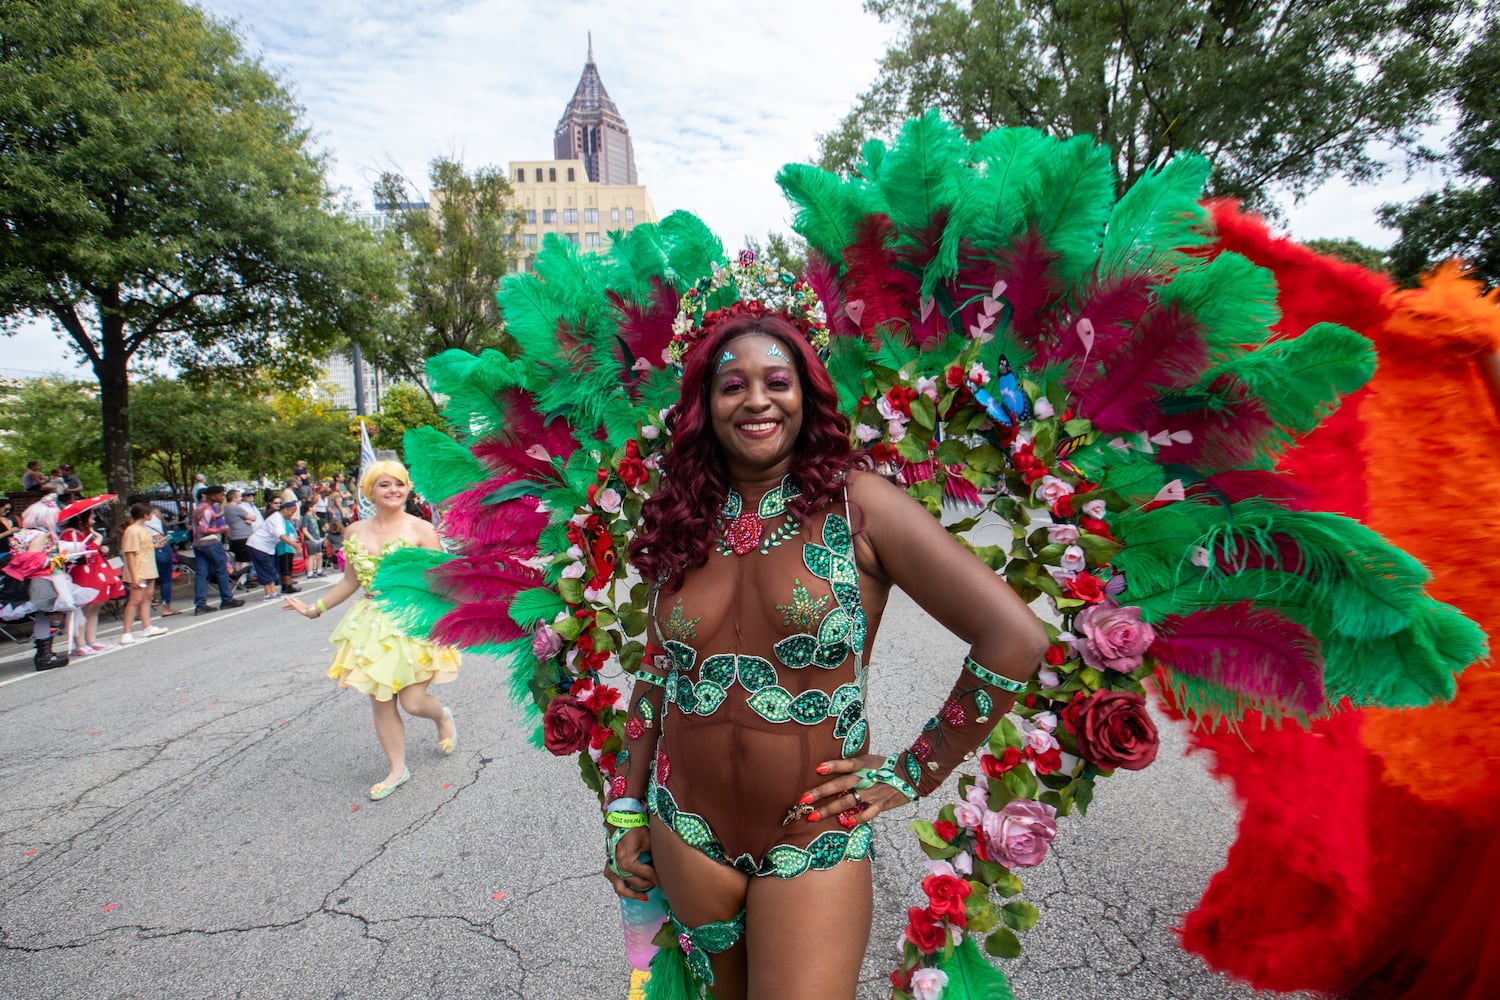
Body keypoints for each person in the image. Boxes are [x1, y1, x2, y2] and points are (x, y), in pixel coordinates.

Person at [599, 313, 1047, 998]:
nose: (755, 400)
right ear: (703, 407)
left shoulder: (858, 506)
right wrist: (628, 810)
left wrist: (912, 771)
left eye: (776, 381)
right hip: (683, 830)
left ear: (805, 396)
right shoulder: (683, 516)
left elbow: (1015, 639)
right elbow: (658, 673)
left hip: (811, 843)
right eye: (732, 386)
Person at [283, 461, 460, 800]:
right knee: (381, 700)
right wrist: (313, 609)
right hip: (372, 623)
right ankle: (397, 768)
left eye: (399, 484)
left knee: (413, 701)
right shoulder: (354, 532)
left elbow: (442, 578)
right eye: (384, 485)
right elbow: (350, 581)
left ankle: (442, 716)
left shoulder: (422, 529)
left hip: (412, 618)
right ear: (370, 491)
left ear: (408, 489)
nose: (393, 490)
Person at [5, 496, 99, 669]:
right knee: (47, 614)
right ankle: (44, 655)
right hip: (42, 580)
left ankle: (45, 653)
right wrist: (54, 559)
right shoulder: (40, 535)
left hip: (29, 581)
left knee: (47, 613)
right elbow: (33, 561)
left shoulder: (24, 534)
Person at [59, 507, 124, 655]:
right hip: (82, 574)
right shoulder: (70, 533)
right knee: (83, 608)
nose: (93, 519)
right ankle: (80, 642)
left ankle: (91, 640)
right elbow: (79, 554)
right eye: (91, 516)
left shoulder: (83, 534)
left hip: (93, 572)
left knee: (94, 607)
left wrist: (99, 546)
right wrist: (97, 543)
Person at [189, 485, 244, 616]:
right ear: (213, 495)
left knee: (202, 573)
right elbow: (203, 529)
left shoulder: (199, 508)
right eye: (220, 495)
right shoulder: (206, 510)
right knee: (221, 570)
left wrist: (222, 509)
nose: (222, 497)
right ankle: (226, 599)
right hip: (210, 542)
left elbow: (212, 517)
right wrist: (220, 530)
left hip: (198, 544)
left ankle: (200, 603)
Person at [119, 502, 167, 644]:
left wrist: (155, 545)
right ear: (145, 515)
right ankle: (126, 632)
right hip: (138, 569)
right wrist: (134, 577)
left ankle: (147, 626)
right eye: (151, 513)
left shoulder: (144, 529)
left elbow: (143, 546)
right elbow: (129, 553)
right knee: (135, 600)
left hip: (148, 567)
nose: (152, 515)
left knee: (147, 597)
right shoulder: (132, 530)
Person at [142, 503, 180, 616]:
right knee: (166, 579)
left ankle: (143, 611)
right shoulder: (155, 512)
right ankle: (166, 607)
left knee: (146, 579)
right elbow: (164, 525)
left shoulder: (134, 519)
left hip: (147, 547)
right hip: (161, 544)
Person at [222, 488, 259, 583]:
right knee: (245, 560)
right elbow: (253, 517)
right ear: (234, 498)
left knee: (238, 559)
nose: (241, 499)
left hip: (234, 536)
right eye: (239, 497)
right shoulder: (235, 508)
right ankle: (242, 580)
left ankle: (238, 579)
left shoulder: (226, 508)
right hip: (242, 536)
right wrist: (249, 520)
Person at [297, 500, 324, 578]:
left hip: (317, 537)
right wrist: (311, 538)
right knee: (311, 556)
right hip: (311, 539)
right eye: (315, 506)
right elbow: (304, 530)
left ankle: (319, 570)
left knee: (319, 555)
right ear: (310, 508)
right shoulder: (306, 517)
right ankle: (310, 572)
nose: (316, 508)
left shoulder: (312, 516)